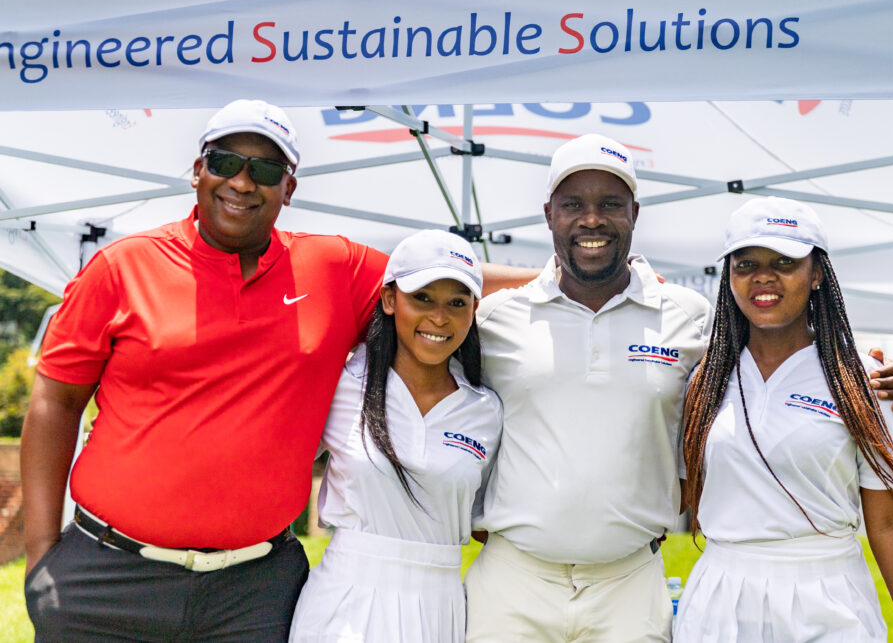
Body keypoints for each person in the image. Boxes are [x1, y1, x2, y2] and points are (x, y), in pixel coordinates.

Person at [20, 100, 523, 641]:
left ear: (289, 188)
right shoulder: (122, 267)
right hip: (109, 577)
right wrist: (41, 552)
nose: (242, 182)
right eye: (225, 162)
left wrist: (563, 281)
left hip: (254, 592)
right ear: (198, 170)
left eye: (265, 169)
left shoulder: (334, 268)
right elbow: (55, 402)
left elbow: (440, 280)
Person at [464, 136, 893, 642]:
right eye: (573, 205)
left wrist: (867, 371)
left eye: (610, 204)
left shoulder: (690, 318)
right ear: (549, 214)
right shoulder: (494, 317)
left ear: (634, 214)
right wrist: (542, 276)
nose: (592, 219)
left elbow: (780, 340)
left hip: (630, 582)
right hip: (512, 580)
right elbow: (424, 292)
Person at [677, 196, 893, 642]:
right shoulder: (704, 378)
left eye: (784, 262)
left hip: (829, 599)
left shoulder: (864, 380)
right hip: (720, 599)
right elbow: (678, 495)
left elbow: (891, 524)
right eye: (745, 264)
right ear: (729, 277)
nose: (763, 276)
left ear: (817, 274)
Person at [289, 230, 502, 642]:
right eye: (422, 298)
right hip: (345, 599)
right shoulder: (342, 381)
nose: (439, 317)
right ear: (389, 299)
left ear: (474, 310)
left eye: (457, 303)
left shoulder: (485, 410)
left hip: (441, 605)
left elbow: (484, 522)